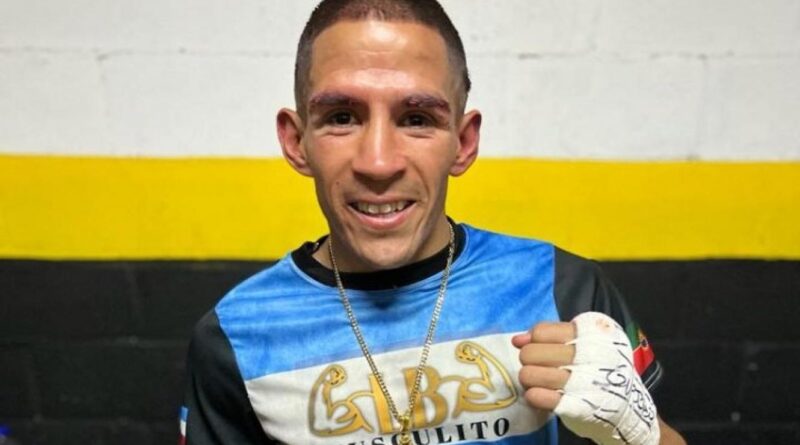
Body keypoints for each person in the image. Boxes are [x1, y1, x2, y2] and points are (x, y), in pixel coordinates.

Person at [180, 1, 687, 444]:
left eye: (417, 119)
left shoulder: (562, 287)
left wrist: (636, 434)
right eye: (341, 117)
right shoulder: (235, 337)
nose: (378, 163)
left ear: (463, 144)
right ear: (297, 142)